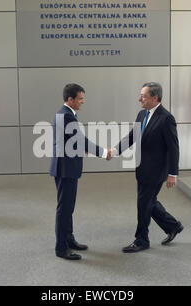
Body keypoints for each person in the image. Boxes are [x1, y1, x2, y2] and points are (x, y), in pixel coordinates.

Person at [112, 82, 183, 253]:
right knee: (148, 202)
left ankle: (141, 240)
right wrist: (115, 150)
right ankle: (173, 226)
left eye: (143, 96)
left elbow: (174, 148)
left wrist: (173, 173)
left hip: (157, 171)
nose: (139, 99)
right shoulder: (141, 114)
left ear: (155, 97)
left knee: (143, 204)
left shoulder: (166, 118)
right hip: (142, 168)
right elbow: (132, 136)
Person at [50, 83, 111, 260]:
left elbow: (71, 140)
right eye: (81, 99)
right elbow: (81, 140)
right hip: (65, 169)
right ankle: (61, 248)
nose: (83, 102)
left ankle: (69, 239)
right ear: (71, 99)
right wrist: (103, 152)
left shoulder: (66, 114)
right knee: (64, 208)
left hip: (67, 166)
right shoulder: (66, 116)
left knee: (68, 207)